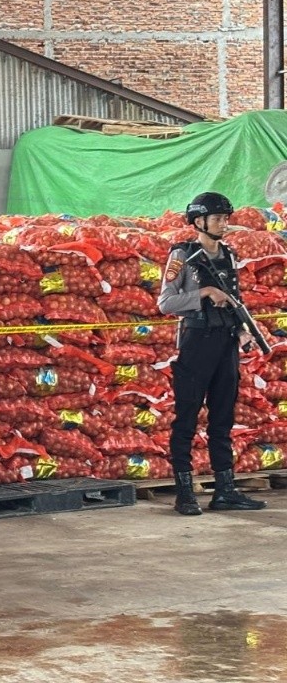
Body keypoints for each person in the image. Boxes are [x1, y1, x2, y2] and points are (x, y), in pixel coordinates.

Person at [157, 192, 266, 516]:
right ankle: (185, 494)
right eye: (218, 218)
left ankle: (226, 490)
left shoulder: (228, 255)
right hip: (196, 342)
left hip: (226, 343)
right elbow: (165, 303)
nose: (224, 223)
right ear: (199, 221)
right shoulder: (183, 255)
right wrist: (203, 292)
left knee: (223, 419)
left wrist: (244, 331)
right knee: (187, 420)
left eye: (225, 218)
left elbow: (235, 300)